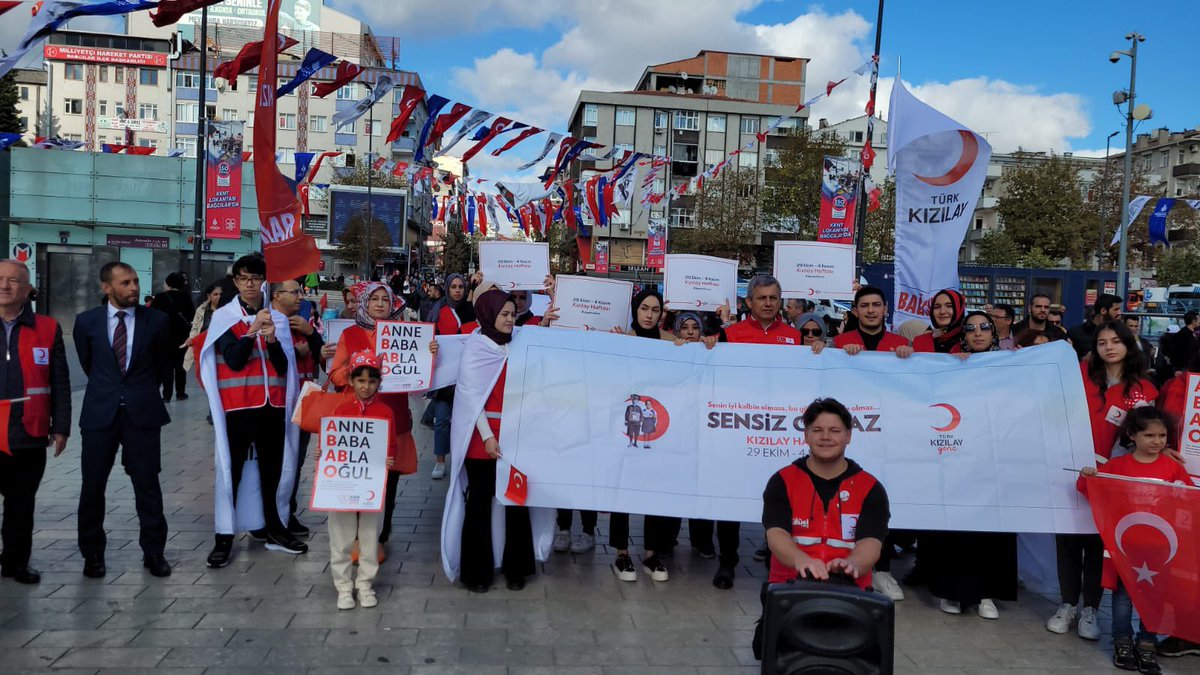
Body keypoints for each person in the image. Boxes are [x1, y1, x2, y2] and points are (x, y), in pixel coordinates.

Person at [753, 397, 890, 659]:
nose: (825, 437)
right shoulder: (782, 480)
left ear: (848, 436)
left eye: (834, 430)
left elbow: (871, 542)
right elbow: (776, 535)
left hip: (850, 590)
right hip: (790, 588)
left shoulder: (870, 487)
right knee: (768, 652)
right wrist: (802, 560)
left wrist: (852, 564)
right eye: (817, 430)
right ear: (806, 435)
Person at [1050, 320, 1158, 640]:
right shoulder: (1079, 376)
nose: (1109, 347)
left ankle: (1091, 609)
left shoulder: (1144, 389)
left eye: (1116, 341)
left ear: (1128, 345)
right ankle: (1067, 604)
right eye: (1102, 342)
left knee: (1098, 545)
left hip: (1113, 479)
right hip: (1071, 471)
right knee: (1068, 541)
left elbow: (1149, 434)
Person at [440, 289, 554, 592]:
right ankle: (477, 573)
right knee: (479, 503)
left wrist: (553, 304)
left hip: (515, 435)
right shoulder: (475, 348)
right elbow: (470, 397)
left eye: (512, 314)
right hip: (482, 439)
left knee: (516, 501)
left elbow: (542, 343)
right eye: (504, 314)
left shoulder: (518, 342)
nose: (509, 319)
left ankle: (517, 569)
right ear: (489, 314)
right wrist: (488, 437)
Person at [198, 254, 307, 568]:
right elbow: (233, 360)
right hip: (239, 407)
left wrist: (271, 338)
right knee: (230, 471)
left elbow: (283, 367)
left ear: (263, 282)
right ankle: (224, 537)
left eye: (255, 278)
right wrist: (252, 330)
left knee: (273, 471)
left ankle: (275, 528)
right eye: (243, 278)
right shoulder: (224, 318)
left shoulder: (278, 318)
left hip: (272, 407)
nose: (249, 284)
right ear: (235, 282)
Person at [73, 262, 173, 578]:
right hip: (99, 415)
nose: (134, 288)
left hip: (142, 414)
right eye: (125, 283)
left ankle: (154, 553)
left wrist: (138, 392)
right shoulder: (86, 322)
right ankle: (92, 555)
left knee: (147, 485)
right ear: (107, 287)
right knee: (92, 486)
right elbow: (89, 364)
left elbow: (164, 365)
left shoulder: (157, 321)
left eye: (135, 281)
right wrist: (112, 390)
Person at [923, 311, 1018, 619]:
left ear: (994, 332)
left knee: (990, 528)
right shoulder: (948, 364)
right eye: (971, 328)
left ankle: (986, 593)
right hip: (956, 456)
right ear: (963, 335)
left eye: (985, 327)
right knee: (955, 527)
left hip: (994, 459)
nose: (978, 333)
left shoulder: (1012, 365)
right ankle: (951, 591)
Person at [1079, 407, 1188, 674]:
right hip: (1126, 548)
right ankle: (1122, 641)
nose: (1157, 441)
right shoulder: (1117, 466)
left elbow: (1188, 501)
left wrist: (1183, 493)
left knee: (1155, 598)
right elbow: (1087, 489)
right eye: (1149, 435)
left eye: (1162, 435)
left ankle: (1147, 643)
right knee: (1123, 597)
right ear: (1132, 435)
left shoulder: (1173, 468)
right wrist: (1087, 476)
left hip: (1161, 549)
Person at [329, 282, 434, 557]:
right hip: (358, 424)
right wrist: (358, 367)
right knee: (360, 481)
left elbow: (421, 380)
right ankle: (357, 537)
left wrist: (428, 354)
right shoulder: (350, 334)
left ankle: (380, 536)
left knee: (388, 482)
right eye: (374, 299)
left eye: (384, 300)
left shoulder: (404, 334)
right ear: (365, 303)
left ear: (391, 304)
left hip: (392, 419)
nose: (379, 304)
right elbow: (336, 375)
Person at [0, 259, 70, 584]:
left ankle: (16, 563)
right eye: (0, 279)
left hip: (28, 430)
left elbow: (60, 381)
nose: (4, 285)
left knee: (21, 504)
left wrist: (61, 426)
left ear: (27, 289)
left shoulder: (48, 328)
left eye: (13, 280)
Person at [609, 289, 681, 584]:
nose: (650, 315)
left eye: (655, 309)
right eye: (644, 308)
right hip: (626, 427)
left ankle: (652, 553)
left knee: (655, 489)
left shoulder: (672, 343)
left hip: (659, 428)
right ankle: (621, 552)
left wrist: (695, 346)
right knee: (623, 488)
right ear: (635, 310)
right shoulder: (622, 339)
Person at [326, 350, 397, 610]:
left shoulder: (385, 412)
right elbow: (331, 442)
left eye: (372, 381)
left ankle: (365, 584)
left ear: (379, 383)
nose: (366, 386)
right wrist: (323, 454)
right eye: (361, 380)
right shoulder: (340, 410)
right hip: (343, 482)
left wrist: (389, 459)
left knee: (369, 535)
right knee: (341, 535)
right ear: (351, 381)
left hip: (372, 483)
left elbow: (390, 444)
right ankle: (343, 586)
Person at [270, 278, 326, 537]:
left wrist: (311, 333)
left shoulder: (301, 325)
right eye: (295, 292)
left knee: (296, 460)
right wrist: (295, 351)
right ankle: (272, 515)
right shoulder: (268, 324)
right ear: (276, 296)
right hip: (277, 405)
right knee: (277, 462)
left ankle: (288, 511)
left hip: (304, 403)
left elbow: (323, 354)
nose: (301, 297)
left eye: (301, 292)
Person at [429, 273, 477, 479]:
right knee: (441, 419)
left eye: (460, 287)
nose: (457, 290)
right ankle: (440, 461)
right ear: (447, 289)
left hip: (467, 375)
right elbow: (428, 337)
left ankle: (461, 459)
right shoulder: (438, 311)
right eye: (453, 287)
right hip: (445, 376)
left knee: (464, 422)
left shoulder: (472, 311)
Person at [150, 272, 195, 402]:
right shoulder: (186, 297)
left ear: (168, 283)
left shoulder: (160, 297)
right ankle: (180, 393)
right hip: (182, 337)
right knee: (181, 366)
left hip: (164, 337)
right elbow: (192, 316)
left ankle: (166, 395)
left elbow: (152, 316)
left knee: (166, 367)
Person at [833, 285, 912, 355]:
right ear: (855, 312)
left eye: (876, 305)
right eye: (864, 305)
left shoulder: (904, 344)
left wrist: (910, 357)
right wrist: (842, 355)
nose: (870, 310)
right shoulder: (838, 344)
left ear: (885, 310)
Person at [1067, 294, 1123, 361]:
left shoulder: (1120, 332)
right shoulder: (1076, 333)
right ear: (1103, 311)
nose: (1119, 313)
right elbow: (1065, 359)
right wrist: (1083, 359)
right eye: (1116, 309)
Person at [182, 282, 222, 372]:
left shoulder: (226, 311)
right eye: (215, 294)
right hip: (203, 347)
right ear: (209, 296)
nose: (219, 296)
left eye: (220, 294)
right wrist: (192, 338)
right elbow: (195, 327)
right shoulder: (201, 310)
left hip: (219, 348)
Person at [912, 289, 966, 354]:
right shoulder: (921, 341)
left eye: (949, 306)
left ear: (959, 309)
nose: (942, 311)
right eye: (937, 307)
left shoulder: (971, 341)